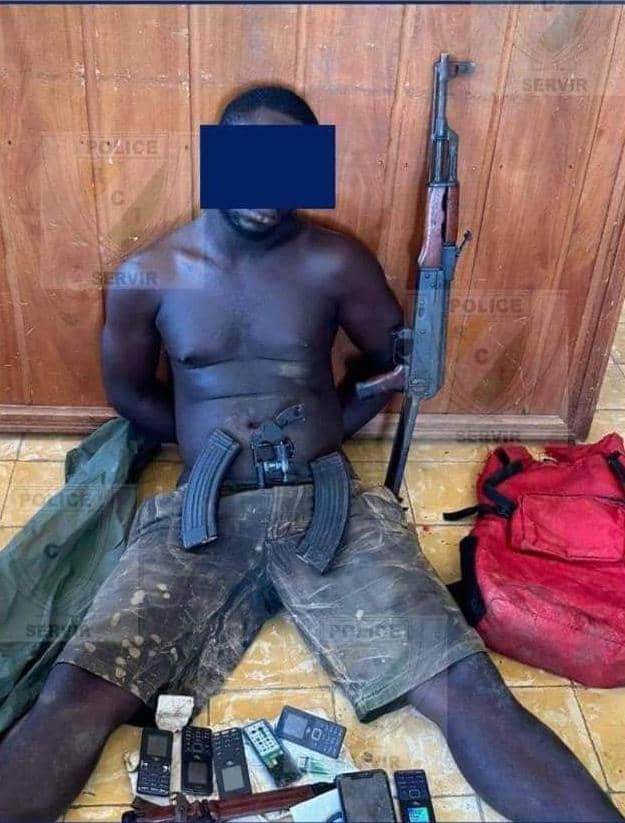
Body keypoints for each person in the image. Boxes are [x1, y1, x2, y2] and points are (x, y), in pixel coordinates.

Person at [0, 85, 620, 823]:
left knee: (468, 690)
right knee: (75, 694)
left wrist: (327, 425)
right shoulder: (150, 274)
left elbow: (390, 367)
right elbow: (130, 392)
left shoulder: (335, 262)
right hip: (203, 512)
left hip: (329, 500)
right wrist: (207, 446)